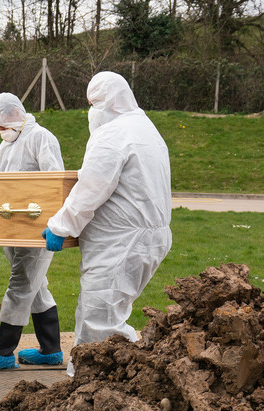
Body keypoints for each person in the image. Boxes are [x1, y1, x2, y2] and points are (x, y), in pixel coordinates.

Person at [41, 72, 172, 374]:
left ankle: (96, 386)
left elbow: (91, 188)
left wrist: (62, 226)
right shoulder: (145, 128)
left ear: (109, 102)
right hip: (146, 236)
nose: (92, 111)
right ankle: (108, 381)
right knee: (109, 311)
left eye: (94, 103)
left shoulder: (113, 134)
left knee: (100, 319)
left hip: (121, 241)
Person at [0, 92, 66, 372]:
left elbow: (54, 183)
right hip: (10, 228)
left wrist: (55, 224)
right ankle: (51, 350)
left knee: (21, 284)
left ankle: (3, 352)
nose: (0, 131)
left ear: (14, 116)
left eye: (1, 124)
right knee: (37, 287)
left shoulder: (41, 138)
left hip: (36, 229)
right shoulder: (7, 146)